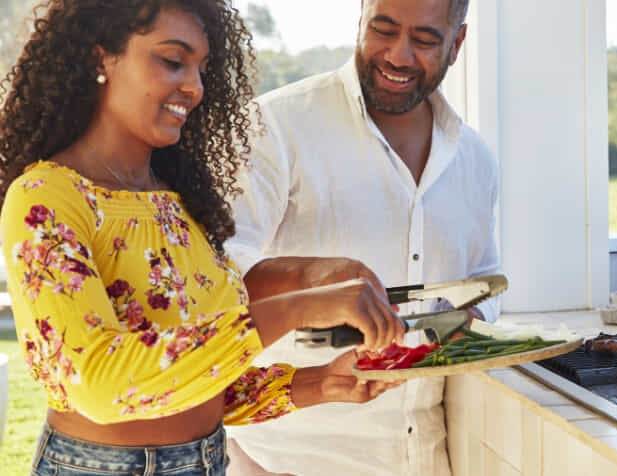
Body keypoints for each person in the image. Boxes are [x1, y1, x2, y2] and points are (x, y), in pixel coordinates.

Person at [0, 1, 405, 475]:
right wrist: (301, 305)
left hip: (208, 461)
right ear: (99, 58)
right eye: (173, 61)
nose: (194, 88)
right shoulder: (47, 198)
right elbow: (100, 385)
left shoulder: (177, 202)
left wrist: (319, 384)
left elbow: (189, 375)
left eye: (202, 68)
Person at [224, 0, 501, 474]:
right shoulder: (274, 126)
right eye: (383, 29)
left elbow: (485, 280)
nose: (398, 55)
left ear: (457, 44)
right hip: (284, 459)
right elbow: (218, 275)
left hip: (422, 458)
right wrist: (316, 280)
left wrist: (465, 318)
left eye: (425, 40)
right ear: (360, 20)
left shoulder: (474, 159)